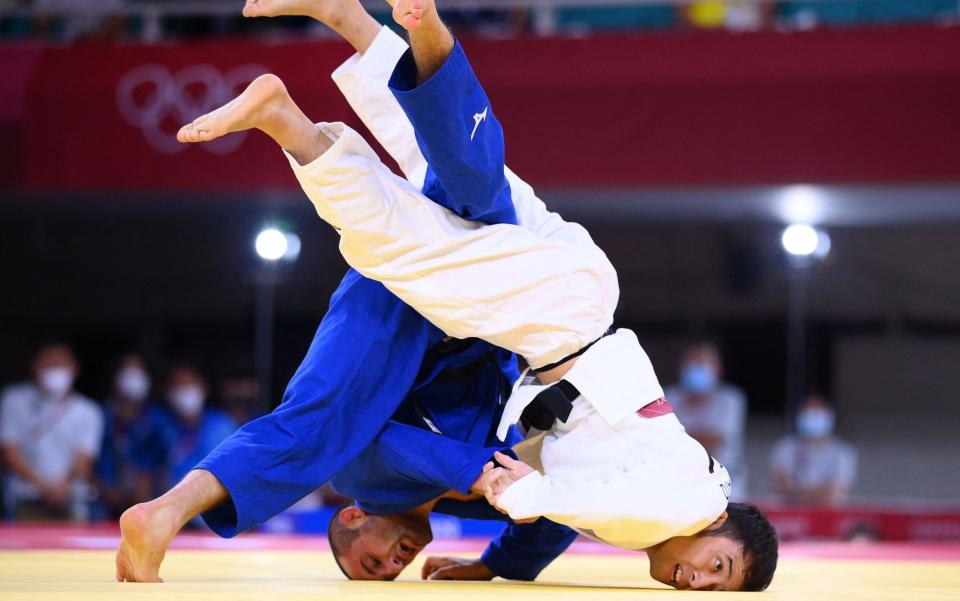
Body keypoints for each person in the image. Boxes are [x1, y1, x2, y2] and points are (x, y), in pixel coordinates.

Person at [173, 0, 778, 590]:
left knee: (455, 169)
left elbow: (561, 518)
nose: (697, 581)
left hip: (573, 298)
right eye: (719, 568)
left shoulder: (671, 490)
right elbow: (585, 505)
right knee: (403, 251)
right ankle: (290, 124)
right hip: (557, 322)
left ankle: (352, 19)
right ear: (725, 525)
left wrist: (498, 565)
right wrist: (516, 493)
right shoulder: (683, 508)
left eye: (708, 590)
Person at [0, 342, 103, 521]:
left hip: (70, 500)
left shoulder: (88, 410)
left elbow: (84, 457)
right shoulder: (14, 399)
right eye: (49, 365)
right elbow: (9, 450)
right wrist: (42, 486)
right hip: (26, 500)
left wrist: (61, 486)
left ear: (74, 369)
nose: (54, 371)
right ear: (35, 366)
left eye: (60, 365)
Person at [664, 342, 748, 500]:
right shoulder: (669, 397)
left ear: (717, 368)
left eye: (702, 364)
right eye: (692, 364)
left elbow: (713, 441)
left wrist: (681, 437)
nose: (696, 369)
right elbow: (661, 440)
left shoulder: (731, 399)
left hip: (725, 481)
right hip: (680, 481)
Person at [94, 354, 168, 519]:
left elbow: (164, 461)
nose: (133, 377)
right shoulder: (100, 416)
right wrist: (105, 490)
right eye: (128, 371)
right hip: (103, 500)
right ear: (116, 377)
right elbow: (89, 461)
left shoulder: (158, 419)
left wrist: (148, 486)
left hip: (147, 501)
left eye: (138, 371)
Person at [157, 365, 237, 492]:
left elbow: (235, 473)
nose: (185, 391)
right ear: (167, 393)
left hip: (213, 504)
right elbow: (145, 475)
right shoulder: (159, 428)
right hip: (167, 505)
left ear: (204, 388)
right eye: (179, 386)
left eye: (190, 384)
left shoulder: (223, 426)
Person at [770, 394, 857, 506]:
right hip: (791, 515)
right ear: (800, 416)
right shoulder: (784, 448)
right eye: (809, 413)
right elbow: (780, 487)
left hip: (828, 515)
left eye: (817, 413)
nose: (813, 417)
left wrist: (795, 490)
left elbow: (835, 491)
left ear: (829, 417)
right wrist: (819, 491)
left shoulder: (843, 452)